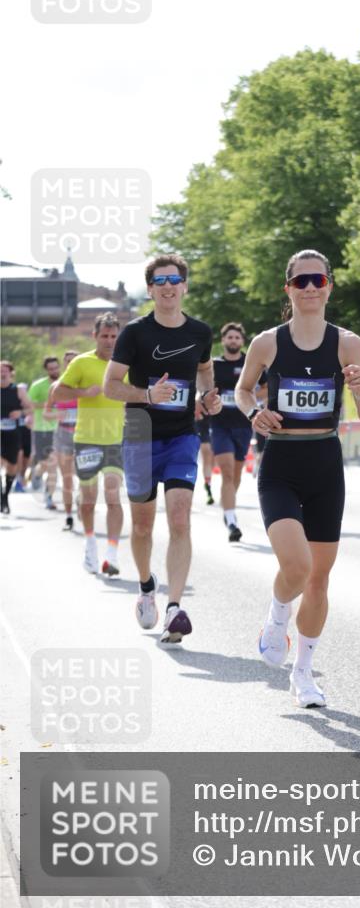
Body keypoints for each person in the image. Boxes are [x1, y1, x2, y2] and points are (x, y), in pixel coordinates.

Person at [235, 249, 360, 707]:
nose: (311, 288)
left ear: (330, 286)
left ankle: (303, 674)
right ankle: (277, 617)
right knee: (297, 567)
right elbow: (241, 389)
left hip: (324, 463)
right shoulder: (267, 343)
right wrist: (255, 411)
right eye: (302, 282)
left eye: (319, 280)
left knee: (319, 580)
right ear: (289, 289)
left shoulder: (348, 343)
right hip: (280, 463)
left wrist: (359, 390)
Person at [104, 254, 221, 643]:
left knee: (180, 518)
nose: (168, 285)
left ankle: (174, 609)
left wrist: (208, 396)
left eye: (175, 279)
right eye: (159, 280)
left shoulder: (201, 331)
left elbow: (204, 369)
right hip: (139, 433)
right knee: (141, 525)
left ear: (184, 286)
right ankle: (145, 584)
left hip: (182, 435)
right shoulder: (135, 333)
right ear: (151, 288)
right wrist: (147, 394)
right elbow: (110, 386)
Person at [52, 316, 125, 574]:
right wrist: (83, 393)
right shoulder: (82, 362)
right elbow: (57, 393)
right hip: (87, 440)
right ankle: (91, 544)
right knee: (89, 500)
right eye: (104, 336)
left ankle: (112, 555)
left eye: (113, 336)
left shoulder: (127, 364)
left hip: (117, 440)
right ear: (95, 336)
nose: (109, 341)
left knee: (114, 496)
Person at [210, 322, 266, 541]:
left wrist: (251, 400)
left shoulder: (249, 363)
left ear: (242, 341)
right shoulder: (215, 365)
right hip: (220, 425)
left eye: (237, 338)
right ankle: (232, 520)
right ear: (223, 340)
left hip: (244, 425)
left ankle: (228, 508)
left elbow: (268, 387)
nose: (233, 341)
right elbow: (204, 389)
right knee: (225, 472)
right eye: (229, 337)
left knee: (235, 474)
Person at [48, 350, 79, 531]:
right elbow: (46, 412)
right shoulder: (56, 387)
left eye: (74, 361)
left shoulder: (88, 385)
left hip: (84, 435)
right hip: (63, 435)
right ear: (64, 364)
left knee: (84, 477)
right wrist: (56, 414)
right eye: (68, 361)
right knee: (67, 479)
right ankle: (68, 517)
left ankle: (82, 501)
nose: (71, 364)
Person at [28, 356, 60, 508]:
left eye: (56, 367)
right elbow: (30, 404)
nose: (54, 371)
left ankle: (49, 497)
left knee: (53, 464)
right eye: (51, 369)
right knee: (44, 464)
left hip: (60, 429)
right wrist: (48, 403)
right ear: (46, 370)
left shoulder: (65, 384)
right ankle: (37, 472)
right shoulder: (38, 385)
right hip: (42, 429)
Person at [1, 361, 31, 514]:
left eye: (5, 370)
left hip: (12, 433)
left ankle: (5, 496)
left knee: (12, 467)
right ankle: (1, 496)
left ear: (11, 373)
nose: (2, 373)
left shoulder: (18, 390)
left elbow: (30, 408)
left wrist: (21, 413)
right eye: (0, 370)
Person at [195, 409, 215, 505]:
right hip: (201, 423)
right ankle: (208, 488)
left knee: (212, 461)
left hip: (216, 423)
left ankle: (208, 481)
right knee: (207, 453)